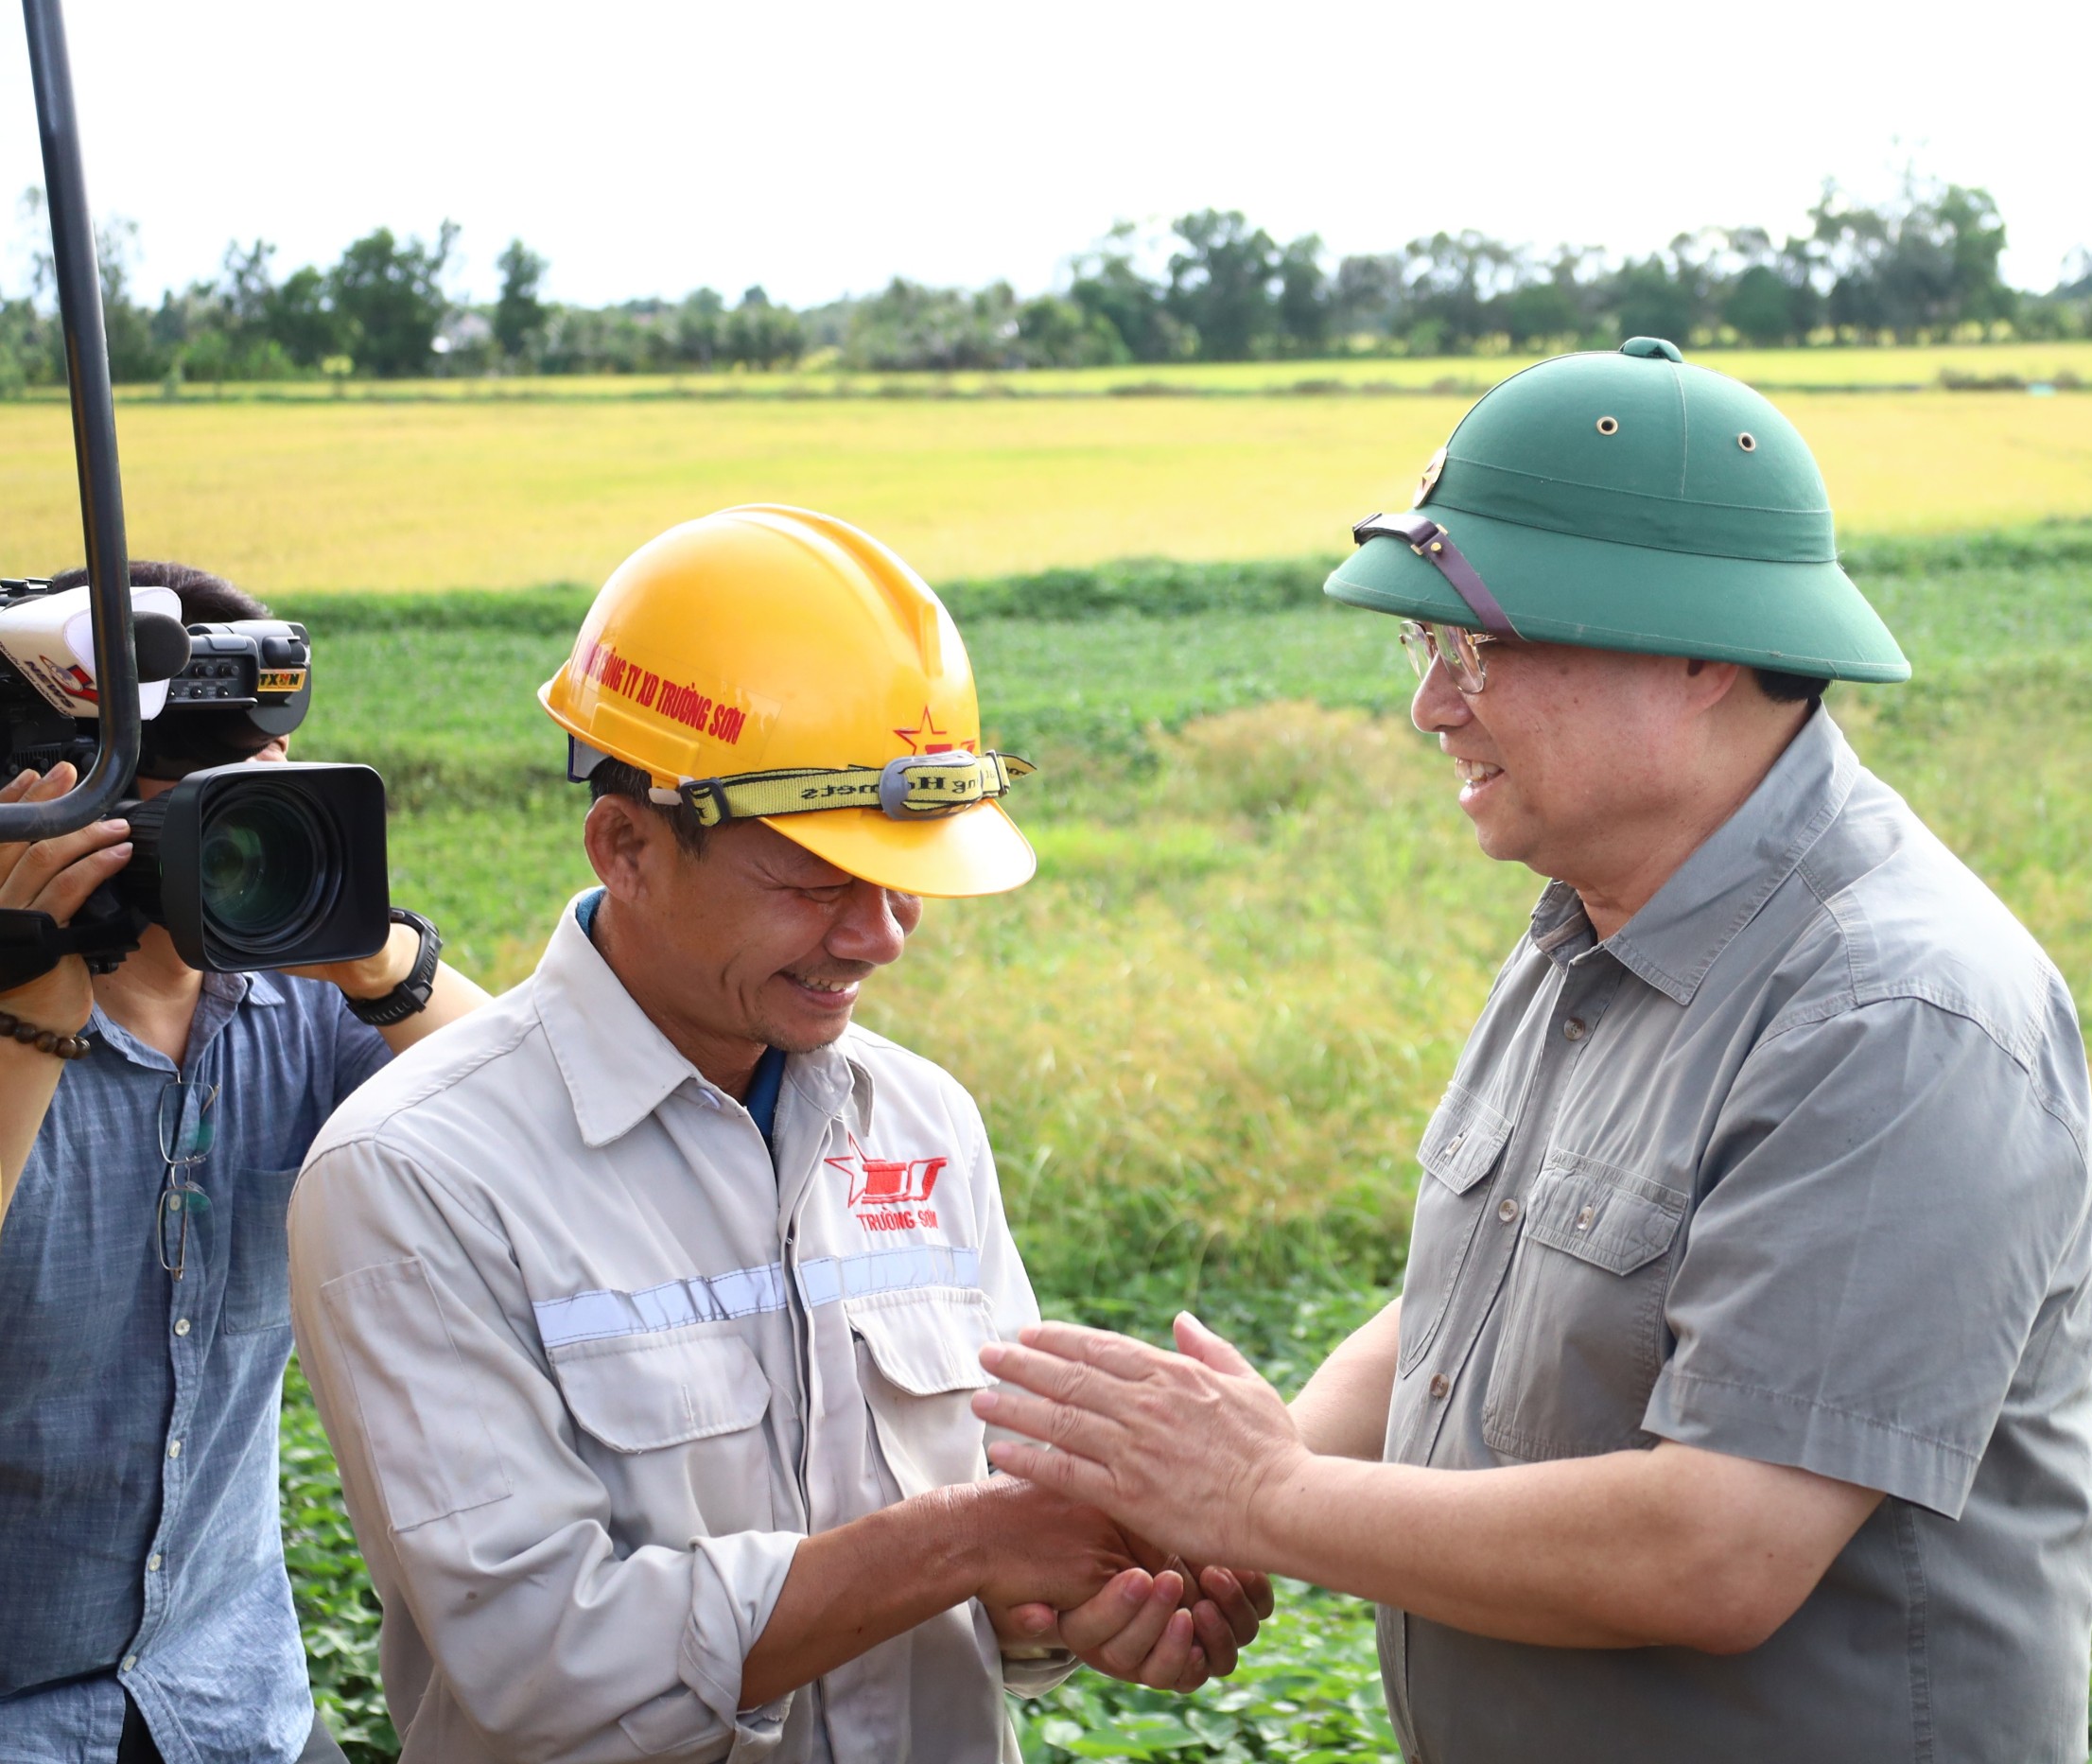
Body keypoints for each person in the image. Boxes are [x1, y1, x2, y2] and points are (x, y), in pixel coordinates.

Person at [974, 342, 2092, 1763]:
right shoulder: (1598, 916)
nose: (1431, 705)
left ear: (1698, 654)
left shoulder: (1896, 1016)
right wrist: (1218, 1516)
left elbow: (1718, 1548)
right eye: (1425, 649)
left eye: (1480, 647)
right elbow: (1488, 1289)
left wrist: (1262, 1499)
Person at [287, 506, 1269, 1764]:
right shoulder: (417, 1174)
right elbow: (538, 1665)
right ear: (626, 845)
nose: (879, 936)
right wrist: (964, 1540)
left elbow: (1002, 1556)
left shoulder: (921, 1120)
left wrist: (1067, 1602)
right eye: (815, 881)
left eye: (906, 873)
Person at [0, 560, 491, 1764]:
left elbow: (541, 1140)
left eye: (266, 795)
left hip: (229, 1695)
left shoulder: (306, 1006)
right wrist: (24, 1009)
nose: (241, 842)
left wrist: (387, 963)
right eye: (187, 806)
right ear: (36, 800)